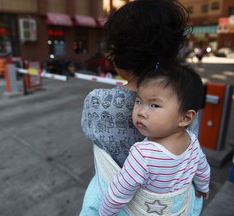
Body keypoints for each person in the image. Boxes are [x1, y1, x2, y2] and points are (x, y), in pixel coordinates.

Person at [80, 0, 200, 215]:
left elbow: (92, 134)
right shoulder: (184, 102)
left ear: (119, 53)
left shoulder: (97, 101)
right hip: (173, 204)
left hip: (114, 203)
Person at [99, 64, 210, 215]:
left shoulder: (143, 154)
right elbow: (202, 169)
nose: (141, 112)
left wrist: (104, 213)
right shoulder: (192, 142)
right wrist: (203, 187)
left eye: (154, 105)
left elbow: (118, 193)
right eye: (138, 101)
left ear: (186, 117)